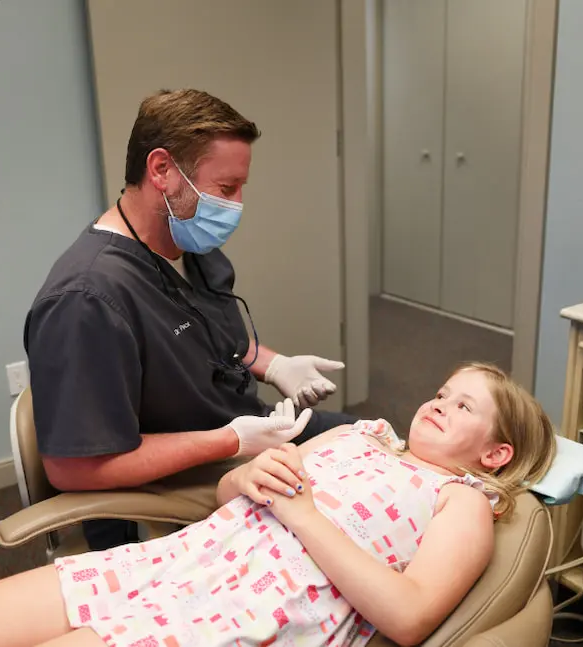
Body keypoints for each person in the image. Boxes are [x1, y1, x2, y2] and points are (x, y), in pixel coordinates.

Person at [0, 362, 557, 647]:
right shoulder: (364, 437)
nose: (435, 402)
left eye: (461, 406)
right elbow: (235, 491)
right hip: (192, 557)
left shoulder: (461, 500)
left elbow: (408, 615)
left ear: (494, 453)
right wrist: (247, 479)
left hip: (258, 613)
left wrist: (300, 513)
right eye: (439, 390)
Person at [22, 89, 357, 550]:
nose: (237, 204)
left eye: (241, 187)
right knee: (353, 520)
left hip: (243, 433)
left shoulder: (186, 243)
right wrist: (230, 441)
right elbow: (73, 467)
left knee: (371, 441)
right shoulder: (87, 299)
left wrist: (277, 365)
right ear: (161, 170)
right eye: (226, 189)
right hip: (178, 487)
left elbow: (214, 340)